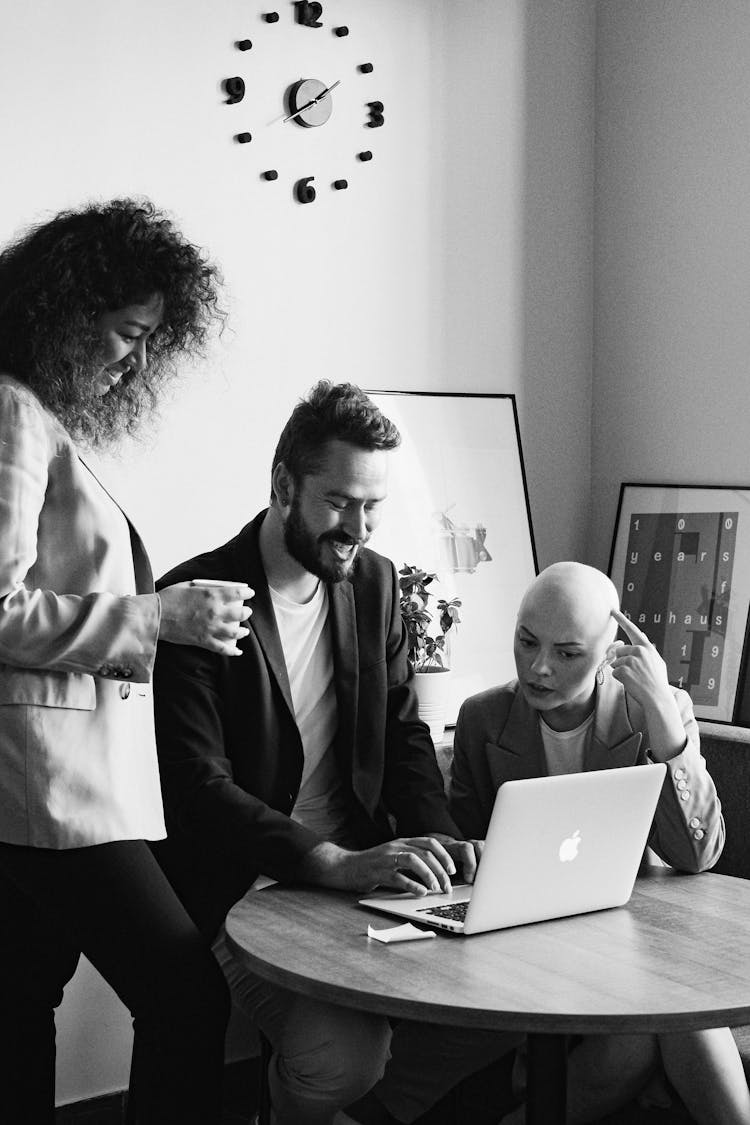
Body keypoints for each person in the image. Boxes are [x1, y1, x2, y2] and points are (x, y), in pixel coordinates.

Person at [152, 380, 518, 1125]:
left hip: (365, 876)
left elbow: (404, 739)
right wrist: (334, 864)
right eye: (339, 502)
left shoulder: (378, 585)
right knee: (344, 1058)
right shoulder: (191, 600)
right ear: (284, 484)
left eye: (373, 506)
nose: (358, 526)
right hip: (244, 888)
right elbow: (197, 788)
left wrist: (448, 845)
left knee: (516, 1000)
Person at [0, 198, 254, 1125]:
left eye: (150, 341)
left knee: (19, 1002)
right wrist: (158, 616)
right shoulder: (14, 414)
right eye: (124, 332)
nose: (133, 361)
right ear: (65, 314)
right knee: (187, 995)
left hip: (39, 787)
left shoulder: (32, 416)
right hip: (50, 787)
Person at [450, 561, 750, 1125]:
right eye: (526, 642)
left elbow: (699, 854)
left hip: (634, 943)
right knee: (669, 1018)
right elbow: (463, 846)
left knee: (665, 1016)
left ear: (610, 651)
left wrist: (665, 723)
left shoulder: (655, 711)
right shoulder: (483, 719)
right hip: (528, 944)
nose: (540, 668)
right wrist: (473, 852)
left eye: (568, 653)